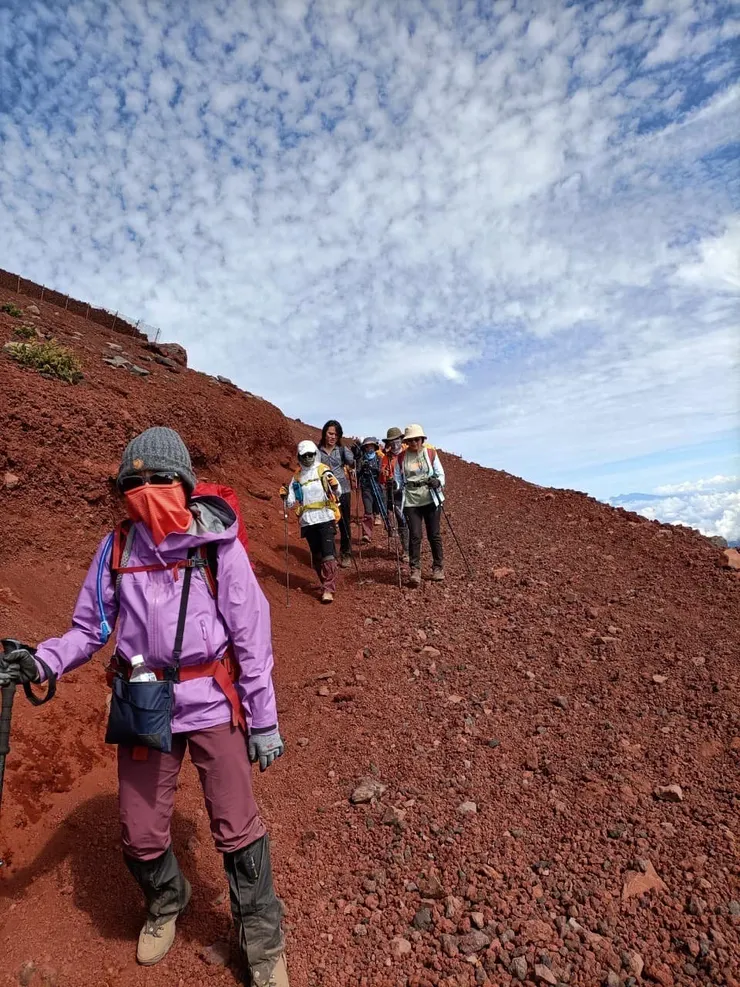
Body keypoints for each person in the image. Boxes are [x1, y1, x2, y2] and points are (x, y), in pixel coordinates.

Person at [0, 427, 289, 986]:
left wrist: (265, 719)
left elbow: (253, 637)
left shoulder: (216, 547)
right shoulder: (117, 546)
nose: (146, 488)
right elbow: (90, 628)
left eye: (160, 478)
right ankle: (167, 899)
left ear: (184, 484)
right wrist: (44, 661)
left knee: (236, 825)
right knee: (139, 833)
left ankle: (262, 939)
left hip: (210, 701)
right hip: (141, 702)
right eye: (134, 481)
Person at [281, 440, 341, 604]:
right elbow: (290, 503)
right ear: (299, 457)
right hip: (308, 521)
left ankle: (329, 589)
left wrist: (334, 486)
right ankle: (325, 582)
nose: (308, 458)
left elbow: (338, 491)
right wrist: (285, 496)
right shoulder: (297, 477)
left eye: (310, 454)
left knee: (328, 553)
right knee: (317, 556)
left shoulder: (323, 471)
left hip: (325, 517)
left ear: (315, 454)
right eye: (304, 455)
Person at [394, 423, 446, 587]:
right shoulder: (401, 458)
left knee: (434, 534)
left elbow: (440, 474)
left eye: (417, 439)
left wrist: (437, 482)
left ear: (422, 439)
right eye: (410, 440)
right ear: (407, 442)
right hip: (411, 500)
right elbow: (398, 479)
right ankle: (415, 570)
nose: (414, 443)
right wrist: (393, 485)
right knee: (415, 535)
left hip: (430, 498)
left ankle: (438, 567)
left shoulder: (430, 453)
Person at [318, 420, 355, 568]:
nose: (332, 436)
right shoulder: (317, 451)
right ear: (325, 433)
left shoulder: (342, 450)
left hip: (343, 491)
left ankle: (346, 553)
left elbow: (352, 463)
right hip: (324, 492)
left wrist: (355, 457)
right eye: (330, 433)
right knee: (327, 524)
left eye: (336, 434)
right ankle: (330, 554)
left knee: (344, 523)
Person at [379, 426, 410, 563]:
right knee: (401, 518)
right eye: (391, 441)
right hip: (395, 492)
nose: (394, 443)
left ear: (401, 439)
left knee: (412, 519)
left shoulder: (409, 452)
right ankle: (406, 550)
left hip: (411, 491)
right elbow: (382, 478)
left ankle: (412, 547)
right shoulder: (386, 458)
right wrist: (385, 477)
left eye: (396, 440)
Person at [355, 436, 384, 544]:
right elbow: (357, 473)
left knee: (380, 506)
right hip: (366, 487)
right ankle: (366, 534)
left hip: (377, 486)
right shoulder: (361, 459)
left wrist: (373, 469)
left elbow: (381, 472)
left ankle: (389, 527)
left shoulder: (378, 458)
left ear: (374, 447)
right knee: (368, 511)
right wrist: (362, 468)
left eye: (371, 446)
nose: (369, 448)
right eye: (367, 446)